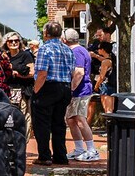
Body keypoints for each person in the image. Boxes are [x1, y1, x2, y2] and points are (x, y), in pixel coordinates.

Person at [31, 19, 76, 165]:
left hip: (48, 87)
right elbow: (72, 71)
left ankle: (44, 156)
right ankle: (60, 155)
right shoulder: (68, 49)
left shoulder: (45, 49)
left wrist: (36, 90)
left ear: (46, 33)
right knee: (59, 123)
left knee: (42, 123)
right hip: (64, 87)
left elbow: (42, 73)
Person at [63, 30, 100, 162]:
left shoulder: (76, 52)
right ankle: (79, 148)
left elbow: (79, 72)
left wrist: (71, 89)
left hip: (80, 91)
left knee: (79, 119)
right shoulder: (81, 50)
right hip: (79, 90)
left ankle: (92, 150)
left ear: (65, 39)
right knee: (71, 119)